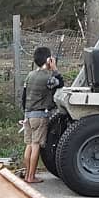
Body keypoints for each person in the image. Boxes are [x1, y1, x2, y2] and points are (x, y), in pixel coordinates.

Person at [20, 46, 63, 183]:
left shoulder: (30, 75)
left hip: (28, 115)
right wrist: (54, 68)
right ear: (48, 60)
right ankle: (31, 177)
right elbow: (60, 83)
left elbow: (23, 96)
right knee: (36, 145)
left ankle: (27, 174)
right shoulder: (48, 77)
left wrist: (25, 112)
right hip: (40, 116)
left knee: (29, 144)